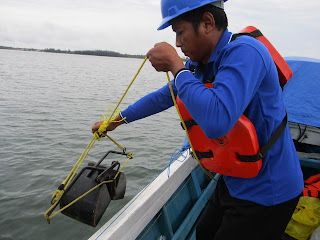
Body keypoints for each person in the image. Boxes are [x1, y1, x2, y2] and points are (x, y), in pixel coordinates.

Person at [92, 0, 304, 239]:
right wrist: (116, 121)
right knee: (204, 231)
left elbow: (217, 122)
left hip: (270, 189)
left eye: (180, 32)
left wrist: (175, 66)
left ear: (207, 22)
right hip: (236, 178)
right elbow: (163, 97)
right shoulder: (201, 64)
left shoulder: (246, 52)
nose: (177, 43)